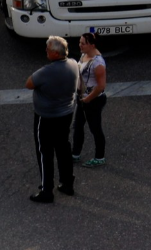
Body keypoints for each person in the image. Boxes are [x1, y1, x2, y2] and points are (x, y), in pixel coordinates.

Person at [25, 36, 81, 203]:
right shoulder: (73, 63)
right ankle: (67, 183)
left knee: (44, 152)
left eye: (48, 49)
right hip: (66, 113)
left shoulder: (47, 71)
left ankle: (46, 190)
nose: (46, 52)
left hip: (46, 116)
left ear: (56, 54)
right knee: (63, 147)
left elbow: (29, 84)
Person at [71, 32, 108, 168]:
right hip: (83, 99)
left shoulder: (98, 64)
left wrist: (88, 99)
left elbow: (101, 86)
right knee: (78, 126)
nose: (79, 45)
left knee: (95, 128)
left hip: (94, 100)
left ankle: (99, 157)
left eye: (83, 43)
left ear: (92, 45)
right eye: (80, 42)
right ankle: (75, 154)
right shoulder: (84, 55)